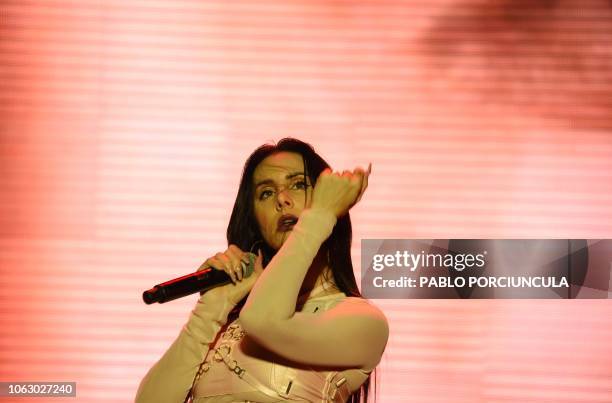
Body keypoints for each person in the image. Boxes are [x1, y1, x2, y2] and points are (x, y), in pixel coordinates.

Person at [135, 138, 389, 403]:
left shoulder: (363, 321)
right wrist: (211, 309)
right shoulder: (225, 323)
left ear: (330, 200)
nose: (281, 199)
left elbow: (263, 322)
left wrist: (320, 216)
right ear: (255, 220)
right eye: (266, 193)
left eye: (299, 184)